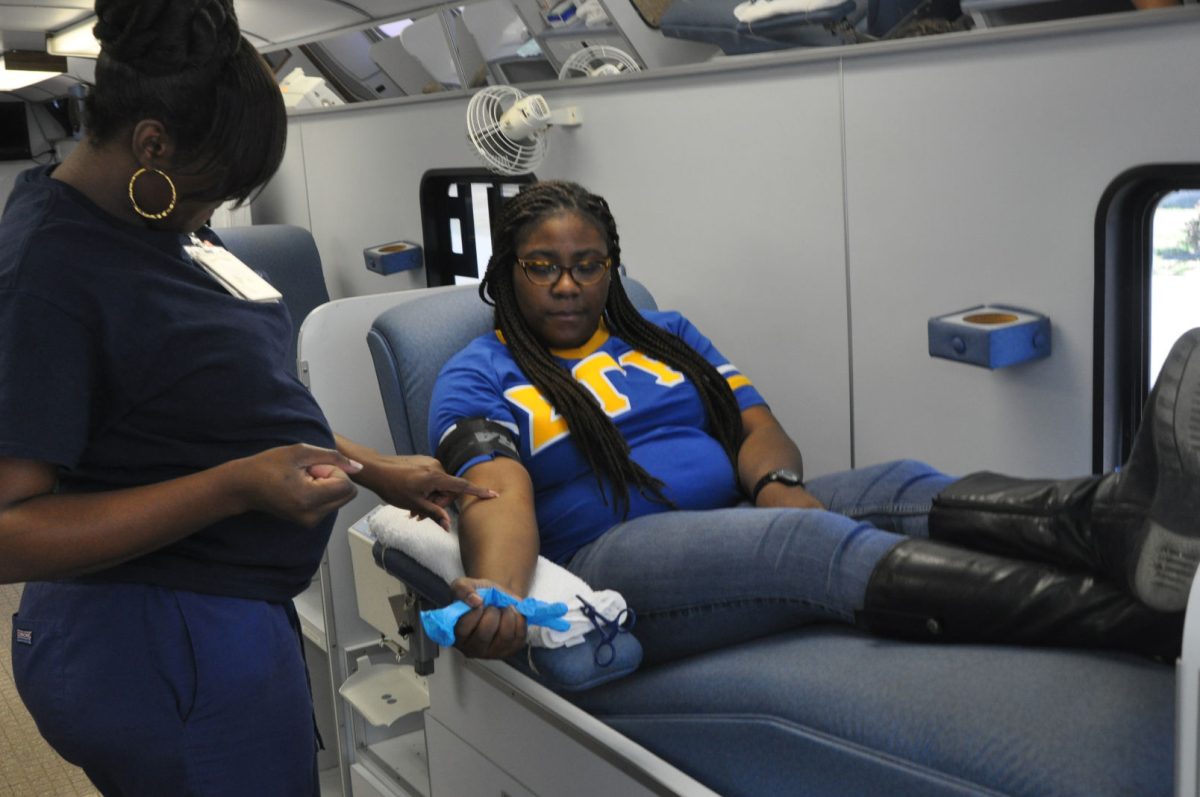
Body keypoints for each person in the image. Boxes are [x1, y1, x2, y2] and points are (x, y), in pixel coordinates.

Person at [0, 2, 491, 795]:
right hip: (152, 630)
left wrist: (367, 467)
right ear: (151, 142)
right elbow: (10, 533)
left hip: (222, 610)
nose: (215, 212)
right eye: (211, 190)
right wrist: (233, 488)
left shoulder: (158, 216)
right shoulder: (47, 274)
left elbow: (224, 408)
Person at [429, 179, 1196, 667]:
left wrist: (776, 482)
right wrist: (498, 591)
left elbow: (759, 427)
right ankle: (1141, 623)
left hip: (732, 511)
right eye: (542, 265)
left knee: (899, 483)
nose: (567, 284)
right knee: (807, 542)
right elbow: (497, 493)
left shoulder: (665, 334)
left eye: (588, 263)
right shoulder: (479, 371)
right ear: (506, 272)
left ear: (611, 267)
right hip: (612, 558)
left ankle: (1120, 518)